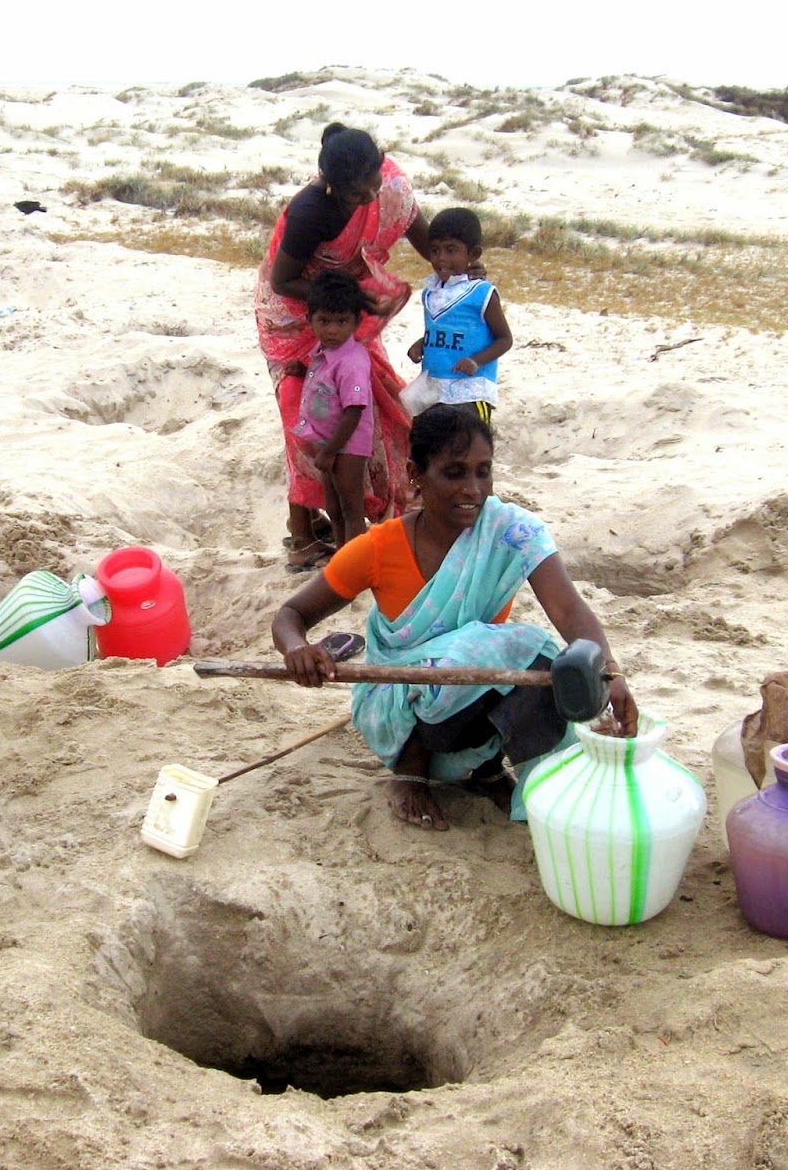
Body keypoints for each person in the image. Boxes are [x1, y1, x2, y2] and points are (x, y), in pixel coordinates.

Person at [271, 405, 638, 831]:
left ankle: (517, 786)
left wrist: (611, 674)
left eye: (483, 472)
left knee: (542, 661)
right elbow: (291, 614)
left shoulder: (510, 531)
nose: (473, 489)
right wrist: (297, 649)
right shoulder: (378, 547)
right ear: (415, 474)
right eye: (454, 472)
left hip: (473, 710)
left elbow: (568, 609)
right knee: (502, 647)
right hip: (398, 717)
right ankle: (411, 774)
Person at [255, 122, 431, 571]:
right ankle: (304, 536)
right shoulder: (310, 211)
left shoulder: (386, 184)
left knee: (377, 402)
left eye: (374, 184)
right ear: (332, 187)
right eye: (358, 194)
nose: (371, 198)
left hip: (339, 311)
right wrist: (345, 300)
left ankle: (358, 517)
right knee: (304, 419)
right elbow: (282, 280)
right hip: (298, 317)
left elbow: (419, 230)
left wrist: (458, 264)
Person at [406, 207, 513, 425]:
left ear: (473, 255)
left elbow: (505, 339)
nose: (441, 258)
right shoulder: (431, 292)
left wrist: (476, 361)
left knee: (469, 449)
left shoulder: (482, 293)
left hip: (470, 393)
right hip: (433, 389)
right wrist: (422, 343)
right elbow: (441, 329)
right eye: (435, 251)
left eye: (451, 250)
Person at [293, 272, 375, 549]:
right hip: (328, 442)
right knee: (334, 507)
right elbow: (326, 380)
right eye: (324, 321)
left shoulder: (352, 361)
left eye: (342, 322)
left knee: (352, 510)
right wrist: (303, 369)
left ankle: (355, 568)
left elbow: (354, 411)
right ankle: (342, 561)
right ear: (310, 320)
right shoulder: (325, 349)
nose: (332, 330)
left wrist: (330, 451)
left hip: (348, 445)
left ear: (356, 322)